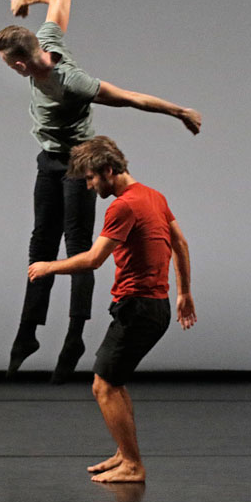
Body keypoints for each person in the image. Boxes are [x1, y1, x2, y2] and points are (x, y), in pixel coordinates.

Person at [0, 0, 201, 382]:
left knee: (78, 245)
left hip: (78, 163)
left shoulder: (72, 80)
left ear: (20, 64)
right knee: (40, 242)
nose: (10, 70)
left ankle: (74, 336)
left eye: (8, 64)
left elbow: (129, 98)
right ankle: (29, 329)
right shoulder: (46, 39)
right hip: (50, 159)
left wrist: (178, 112)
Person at [27, 136, 196, 482]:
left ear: (107, 170)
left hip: (138, 309)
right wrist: (185, 293)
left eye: (90, 178)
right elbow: (180, 242)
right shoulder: (153, 195)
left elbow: (92, 259)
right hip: (152, 306)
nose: (89, 186)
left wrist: (47, 266)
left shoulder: (123, 206)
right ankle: (125, 453)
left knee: (103, 386)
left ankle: (133, 465)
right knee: (113, 383)